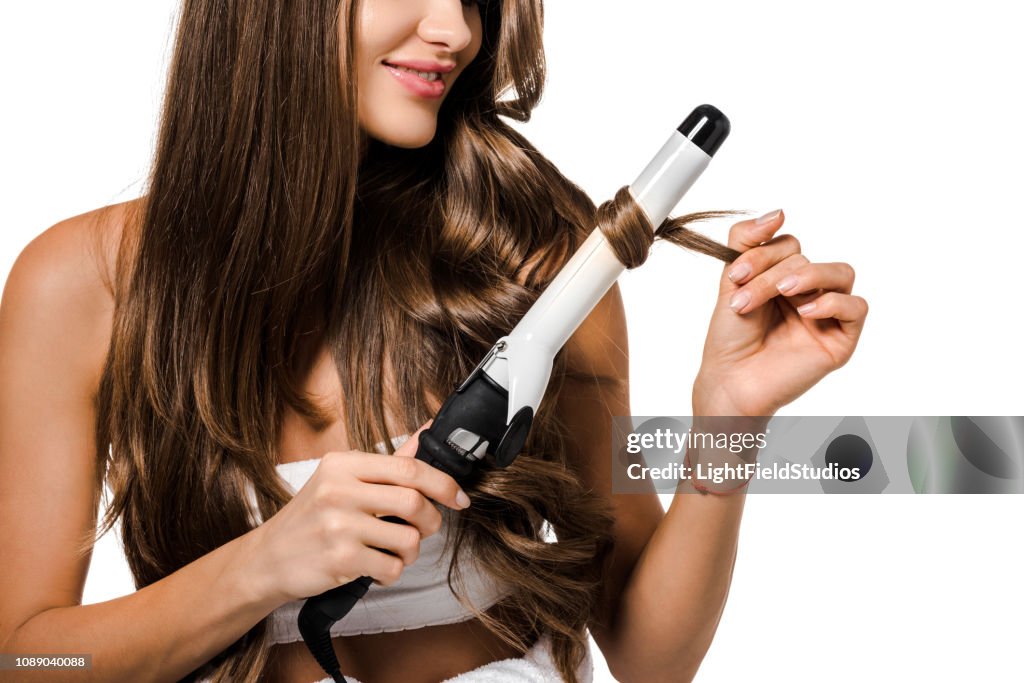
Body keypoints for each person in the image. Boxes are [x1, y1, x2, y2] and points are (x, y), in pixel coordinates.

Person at [0, 0, 868, 682]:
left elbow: (651, 656)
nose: (454, 28)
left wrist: (729, 419)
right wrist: (262, 565)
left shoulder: (534, 259)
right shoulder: (82, 284)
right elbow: (25, 659)